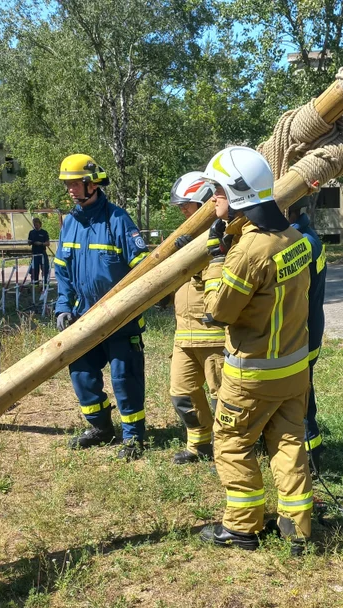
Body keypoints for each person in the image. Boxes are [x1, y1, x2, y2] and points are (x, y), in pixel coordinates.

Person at [199, 146, 313, 556]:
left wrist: (216, 260)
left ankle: (243, 527)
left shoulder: (248, 251)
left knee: (231, 442)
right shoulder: (295, 238)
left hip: (253, 374)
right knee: (287, 444)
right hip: (293, 370)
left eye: (218, 191)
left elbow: (218, 313)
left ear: (239, 195)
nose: (213, 199)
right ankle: (297, 530)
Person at [54, 153, 150, 460]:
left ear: (92, 182)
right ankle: (100, 428)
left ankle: (133, 437)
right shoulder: (69, 223)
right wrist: (62, 307)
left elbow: (143, 270)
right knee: (82, 374)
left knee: (125, 378)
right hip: (83, 320)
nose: (70, 189)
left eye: (75, 183)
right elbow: (62, 272)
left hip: (121, 321)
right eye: (67, 184)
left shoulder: (118, 220)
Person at [168, 172, 225, 464]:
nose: (182, 210)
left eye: (186, 204)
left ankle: (228, 450)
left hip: (213, 337)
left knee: (222, 398)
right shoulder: (186, 237)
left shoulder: (224, 236)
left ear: (203, 201)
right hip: (184, 335)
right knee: (181, 393)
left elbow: (218, 282)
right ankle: (198, 444)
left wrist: (195, 261)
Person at [287, 199, 326, 471]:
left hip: (303, 333)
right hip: (306, 329)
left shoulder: (302, 242)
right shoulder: (304, 234)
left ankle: (310, 454)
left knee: (300, 397)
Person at [28, 218, 50, 285]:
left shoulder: (44, 232)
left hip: (42, 252)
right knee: (34, 269)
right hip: (35, 253)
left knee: (45, 268)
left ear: (40, 224)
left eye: (37, 225)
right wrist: (31, 242)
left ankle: (45, 283)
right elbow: (29, 242)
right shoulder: (31, 232)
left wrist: (41, 243)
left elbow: (48, 243)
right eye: (34, 225)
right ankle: (35, 283)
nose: (36, 226)